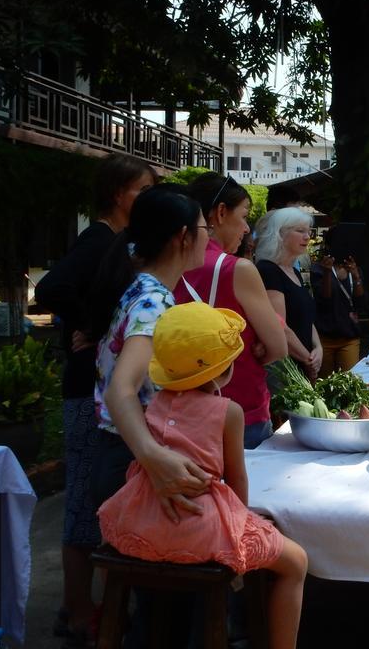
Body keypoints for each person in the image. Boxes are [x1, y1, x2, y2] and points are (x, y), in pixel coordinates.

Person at [97, 302, 308, 649]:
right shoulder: (229, 412)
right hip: (202, 530)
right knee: (296, 562)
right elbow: (236, 480)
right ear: (223, 371)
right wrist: (242, 526)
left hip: (140, 523)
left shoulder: (151, 407)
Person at [35, 154, 155, 648]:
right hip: (89, 387)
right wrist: (90, 324)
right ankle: (78, 610)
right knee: (84, 503)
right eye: (142, 189)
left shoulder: (120, 242)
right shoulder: (99, 240)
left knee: (94, 502)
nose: (146, 198)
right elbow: (50, 287)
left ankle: (84, 606)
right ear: (118, 193)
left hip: (99, 383)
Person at [89, 183, 212, 514]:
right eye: (205, 229)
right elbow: (121, 390)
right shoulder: (152, 301)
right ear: (183, 236)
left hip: (120, 449)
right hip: (131, 455)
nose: (209, 238)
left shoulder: (138, 283)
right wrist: (153, 457)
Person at [174, 173, 287, 449]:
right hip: (240, 410)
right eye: (244, 216)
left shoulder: (166, 262)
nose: (247, 228)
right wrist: (262, 343)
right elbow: (279, 347)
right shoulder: (235, 269)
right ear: (220, 213)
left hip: (179, 415)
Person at [255, 208, 322, 381]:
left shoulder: (294, 271)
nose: (307, 237)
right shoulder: (268, 270)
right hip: (284, 369)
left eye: (308, 231)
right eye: (300, 231)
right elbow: (280, 327)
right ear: (280, 234)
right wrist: (309, 359)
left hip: (302, 362)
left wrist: (318, 347)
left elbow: (306, 318)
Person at [310, 227, 365, 376]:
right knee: (325, 383)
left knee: (349, 379)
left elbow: (360, 300)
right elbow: (324, 299)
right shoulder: (318, 269)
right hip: (325, 336)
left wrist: (356, 276)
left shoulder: (354, 269)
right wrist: (327, 272)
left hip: (348, 336)